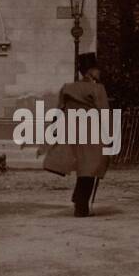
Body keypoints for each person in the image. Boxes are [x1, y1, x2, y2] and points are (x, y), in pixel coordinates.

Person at [43, 51, 111, 218]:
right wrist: (109, 136)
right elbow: (104, 112)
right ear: (90, 72)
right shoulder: (98, 89)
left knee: (85, 168)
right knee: (90, 168)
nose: (99, 72)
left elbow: (59, 111)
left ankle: (78, 201)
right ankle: (81, 206)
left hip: (72, 132)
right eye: (96, 69)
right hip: (92, 133)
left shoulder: (67, 88)